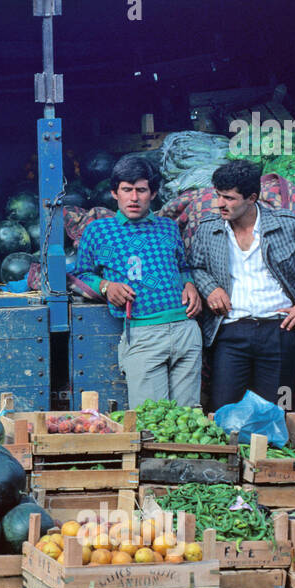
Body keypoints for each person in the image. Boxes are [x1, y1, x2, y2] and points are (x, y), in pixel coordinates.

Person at [187, 159, 295, 410]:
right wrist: (210, 287)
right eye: (218, 196)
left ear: (251, 198)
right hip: (230, 331)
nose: (220, 204)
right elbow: (196, 267)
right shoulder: (209, 229)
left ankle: (270, 449)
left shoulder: (286, 226)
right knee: (223, 411)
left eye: (230, 198)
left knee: (275, 412)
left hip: (278, 330)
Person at [71, 156, 203, 408]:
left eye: (141, 190)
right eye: (127, 190)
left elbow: (183, 266)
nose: (134, 198)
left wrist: (189, 284)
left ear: (152, 193)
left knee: (189, 420)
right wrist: (106, 286)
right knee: (151, 421)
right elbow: (81, 274)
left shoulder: (168, 227)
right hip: (143, 333)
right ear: (114, 192)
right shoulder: (98, 231)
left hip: (186, 330)